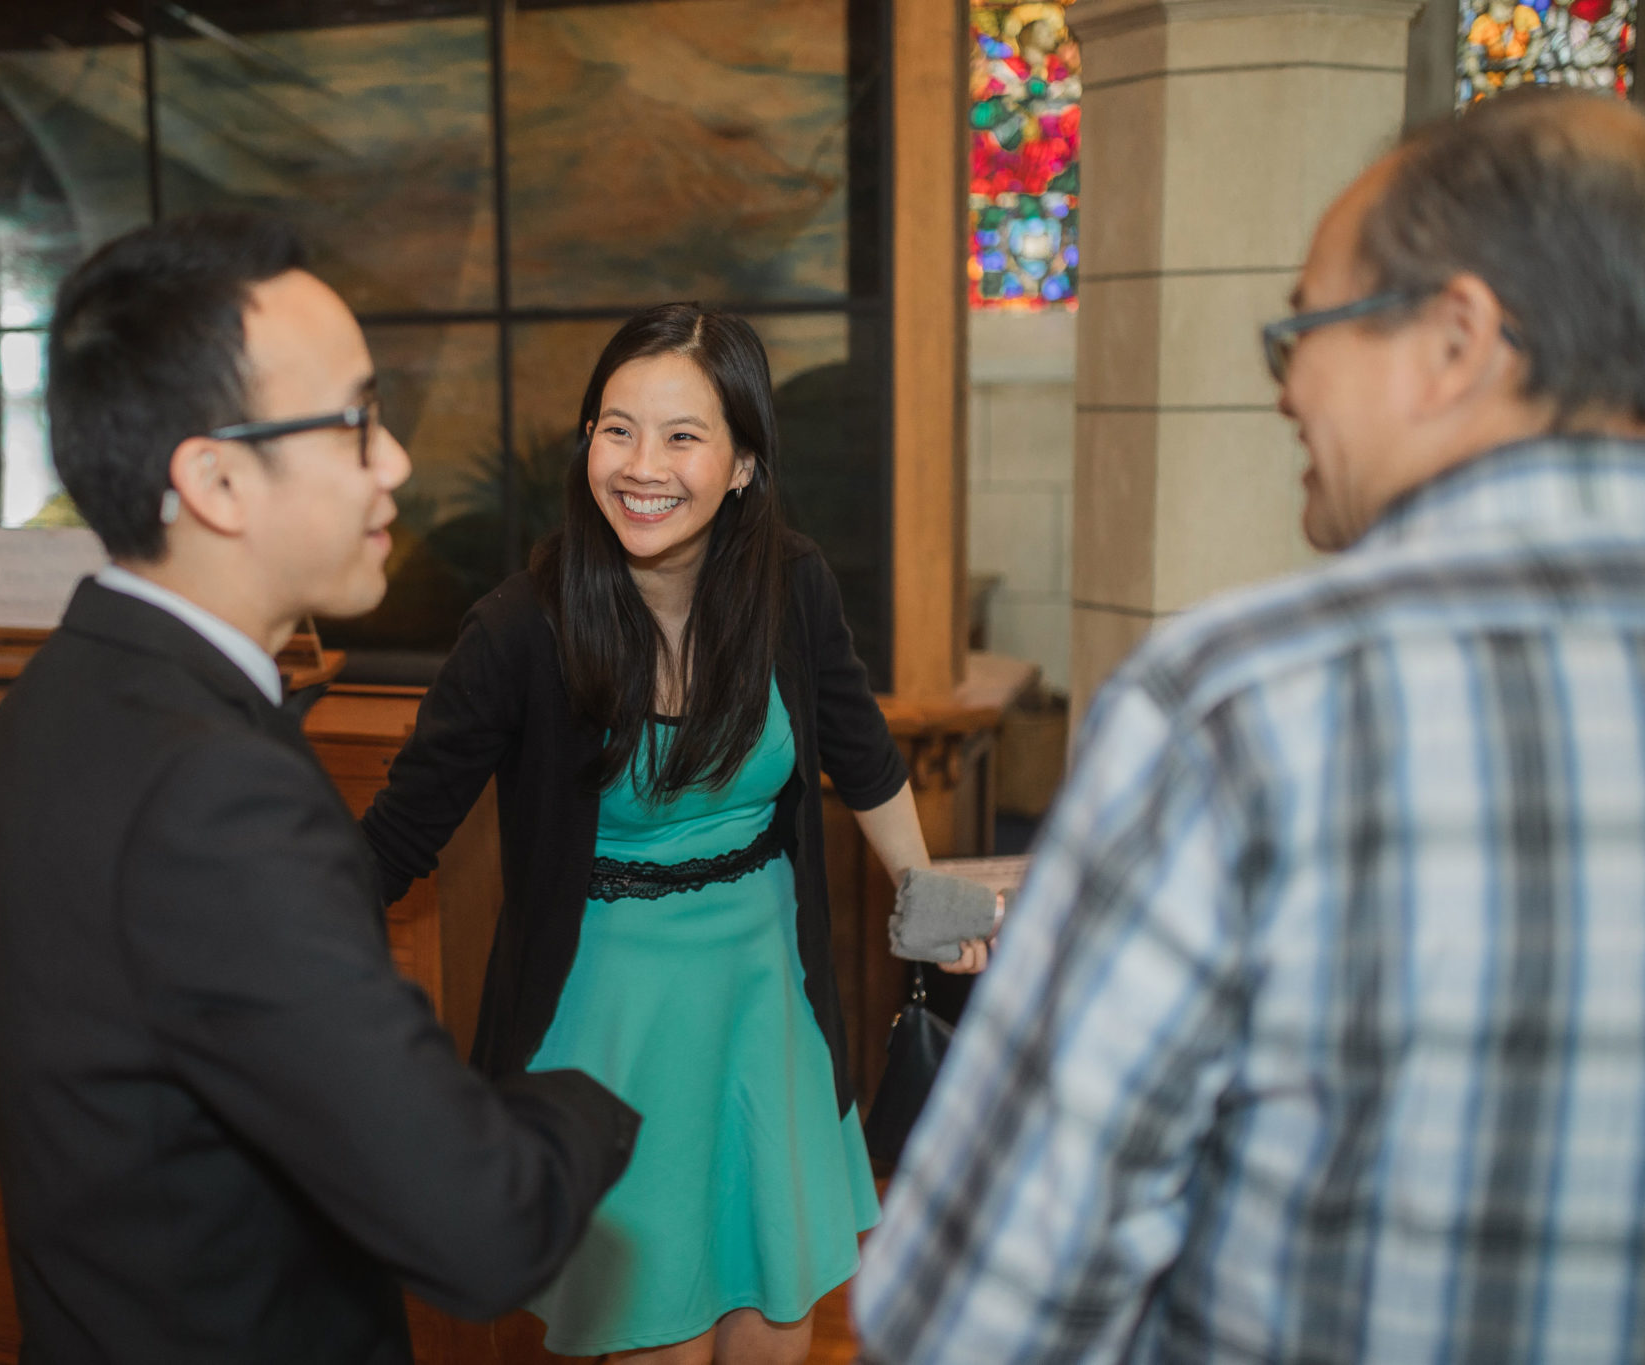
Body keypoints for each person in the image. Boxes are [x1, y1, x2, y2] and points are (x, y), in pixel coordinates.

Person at [856, 88, 1645, 1364]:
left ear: (1456, 340)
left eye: (1304, 330)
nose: (1282, 392)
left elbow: (973, 1313)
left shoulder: (1249, 703)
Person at [0, 210, 640, 1365]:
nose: (396, 461)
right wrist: (593, 1099)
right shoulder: (215, 793)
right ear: (218, 478)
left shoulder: (61, 689)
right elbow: (480, 1229)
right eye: (356, 421)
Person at [359, 304, 986, 1363]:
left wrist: (924, 897)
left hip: (763, 1000)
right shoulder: (519, 629)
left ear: (742, 463)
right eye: (616, 428)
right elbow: (392, 842)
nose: (641, 465)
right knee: (661, 1342)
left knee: (772, 1333)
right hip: (609, 1021)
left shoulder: (790, 587)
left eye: (682, 436)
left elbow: (862, 752)